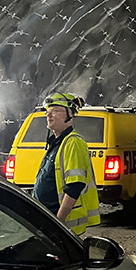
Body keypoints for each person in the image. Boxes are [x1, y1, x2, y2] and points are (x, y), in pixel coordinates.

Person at [32, 92, 100, 235]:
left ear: (70, 115)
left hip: (62, 225)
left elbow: (75, 186)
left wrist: (58, 223)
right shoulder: (57, 144)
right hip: (48, 220)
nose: (49, 115)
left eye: (56, 111)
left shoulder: (73, 143)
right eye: (48, 112)